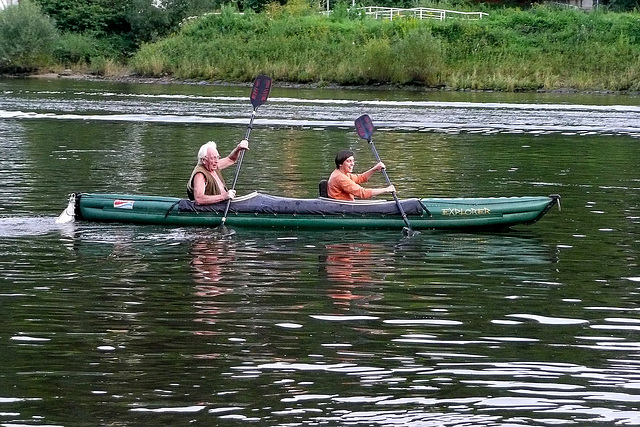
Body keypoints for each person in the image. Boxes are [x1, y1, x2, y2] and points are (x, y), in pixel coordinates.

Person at [186, 139, 248, 205]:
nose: (216, 161)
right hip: (213, 208)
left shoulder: (213, 165)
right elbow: (199, 199)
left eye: (217, 157)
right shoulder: (200, 175)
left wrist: (238, 148)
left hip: (224, 203)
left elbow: (231, 159)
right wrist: (224, 196)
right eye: (213, 158)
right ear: (204, 160)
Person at [327, 149, 395, 201]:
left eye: (353, 161)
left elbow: (361, 178)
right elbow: (362, 193)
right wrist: (386, 190)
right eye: (349, 161)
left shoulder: (343, 173)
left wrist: (375, 168)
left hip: (346, 205)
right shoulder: (340, 177)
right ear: (340, 164)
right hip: (342, 208)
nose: (352, 164)